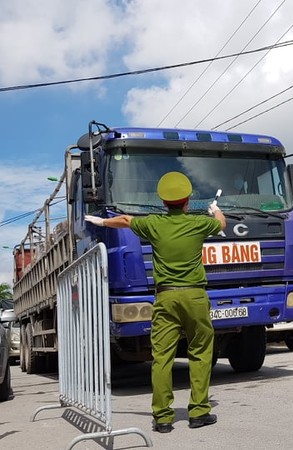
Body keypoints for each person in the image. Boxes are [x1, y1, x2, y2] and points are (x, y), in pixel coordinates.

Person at [85, 171, 226, 434]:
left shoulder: (154, 224)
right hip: (195, 296)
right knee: (200, 353)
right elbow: (221, 224)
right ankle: (199, 412)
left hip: (166, 297)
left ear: (164, 202)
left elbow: (126, 220)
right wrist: (215, 210)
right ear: (186, 201)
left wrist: (101, 223)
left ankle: (162, 418)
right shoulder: (199, 224)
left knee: (162, 357)